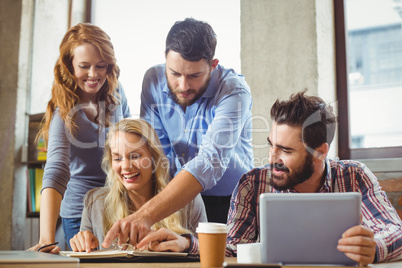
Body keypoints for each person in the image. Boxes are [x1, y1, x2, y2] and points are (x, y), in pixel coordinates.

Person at [101, 17, 253, 249]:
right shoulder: (152, 80)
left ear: (213, 65)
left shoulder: (234, 91)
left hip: (230, 202)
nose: (183, 85)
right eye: (174, 73)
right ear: (165, 58)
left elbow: (210, 162)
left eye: (194, 76)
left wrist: (147, 214)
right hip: (175, 200)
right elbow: (155, 150)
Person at [225, 91, 402, 265]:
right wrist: (196, 244)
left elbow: (396, 231)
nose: (272, 159)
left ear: (320, 152)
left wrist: (374, 248)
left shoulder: (354, 176)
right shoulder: (252, 183)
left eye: (285, 150)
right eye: (272, 145)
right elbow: (233, 247)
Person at [27, 23, 131, 253]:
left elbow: (130, 139)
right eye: (84, 66)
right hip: (80, 213)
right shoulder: (62, 112)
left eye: (100, 66)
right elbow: (55, 171)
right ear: (69, 66)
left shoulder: (115, 91)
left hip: (118, 206)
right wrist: (46, 239)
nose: (94, 75)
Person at [69, 119, 207, 253]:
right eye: (117, 158)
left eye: (135, 156)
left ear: (154, 158)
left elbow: (209, 251)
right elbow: (85, 255)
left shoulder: (189, 200)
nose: (126, 166)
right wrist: (82, 244)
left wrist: (187, 244)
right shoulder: (95, 202)